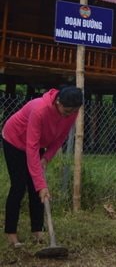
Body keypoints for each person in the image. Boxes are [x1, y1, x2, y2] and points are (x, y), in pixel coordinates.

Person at [2, 86, 83, 247]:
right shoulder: (40, 109)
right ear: (58, 101)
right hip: (15, 140)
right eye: (66, 111)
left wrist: (46, 157)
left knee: (35, 188)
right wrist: (42, 185)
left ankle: (37, 231)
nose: (68, 115)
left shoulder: (72, 112)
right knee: (19, 186)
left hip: (37, 144)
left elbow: (60, 138)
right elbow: (31, 148)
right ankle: (11, 234)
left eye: (72, 111)